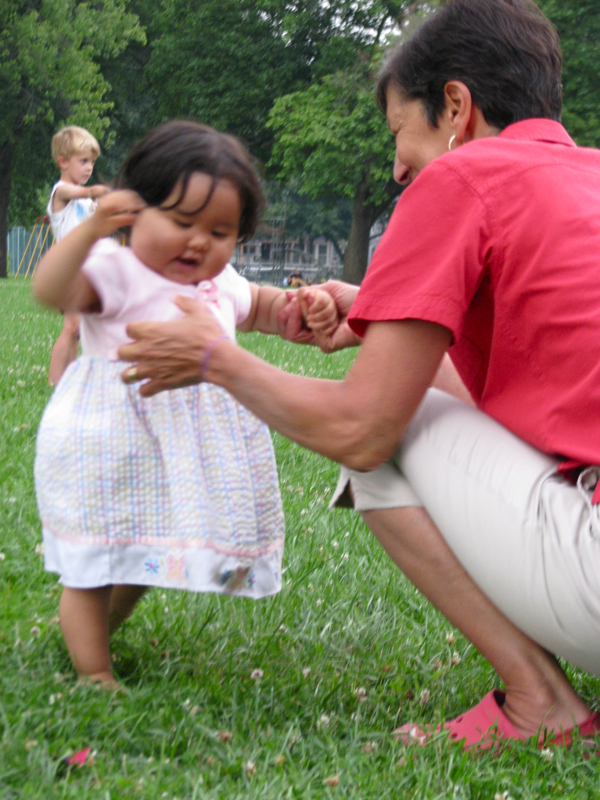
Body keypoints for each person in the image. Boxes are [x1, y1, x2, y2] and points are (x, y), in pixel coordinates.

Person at [116, 0, 600, 749]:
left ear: (456, 107)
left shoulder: (461, 177)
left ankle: (541, 701)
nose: (398, 166)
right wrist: (381, 313)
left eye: (400, 132)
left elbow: (366, 427)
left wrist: (216, 359)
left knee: (377, 446)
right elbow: (527, 396)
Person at [32, 120, 337, 686]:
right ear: (134, 210)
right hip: (107, 447)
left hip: (176, 460)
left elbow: (263, 307)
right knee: (93, 564)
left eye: (220, 231)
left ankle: (93, 634)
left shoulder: (220, 283)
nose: (199, 242)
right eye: (180, 222)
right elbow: (50, 291)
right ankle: (93, 671)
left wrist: (301, 308)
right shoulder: (116, 271)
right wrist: (92, 227)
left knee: (146, 557)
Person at [46, 125, 109, 386]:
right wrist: (95, 191)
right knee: (72, 327)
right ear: (63, 162)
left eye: (92, 162)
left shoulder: (84, 200)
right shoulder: (61, 191)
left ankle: (69, 378)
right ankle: (54, 381)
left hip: (88, 271)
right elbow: (78, 192)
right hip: (69, 271)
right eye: (83, 161)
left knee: (79, 330)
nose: (89, 168)